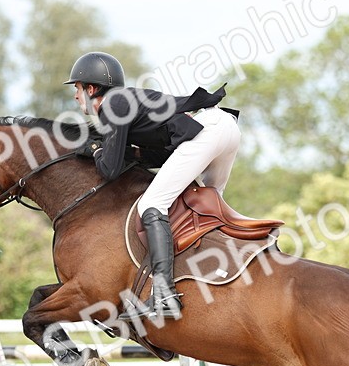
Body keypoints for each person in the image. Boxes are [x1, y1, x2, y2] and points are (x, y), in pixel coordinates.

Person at [65, 51, 241, 320]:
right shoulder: (126, 102)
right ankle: (223, 267)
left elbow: (109, 170)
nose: (76, 96)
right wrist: (131, 154)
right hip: (223, 127)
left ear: (91, 88)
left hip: (208, 131)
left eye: (77, 89)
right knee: (206, 201)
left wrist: (94, 149)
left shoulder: (112, 104)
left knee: (151, 203)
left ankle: (164, 295)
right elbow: (164, 154)